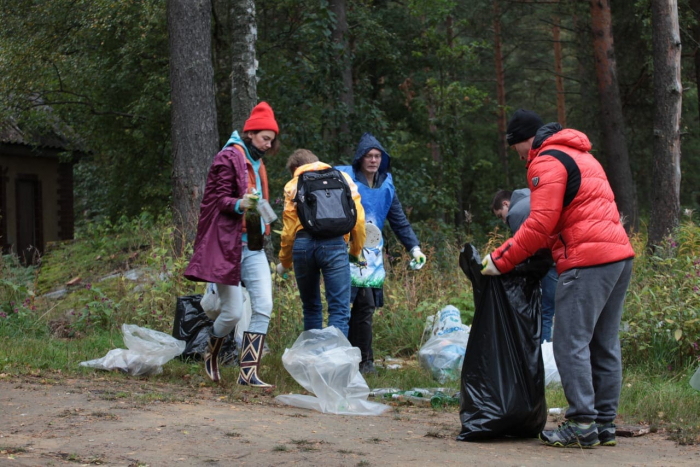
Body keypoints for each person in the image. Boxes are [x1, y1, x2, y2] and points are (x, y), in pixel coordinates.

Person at [481, 109, 635, 448]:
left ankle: (582, 422)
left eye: (515, 147)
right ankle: (603, 424)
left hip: (588, 261)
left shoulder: (545, 160)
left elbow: (539, 225)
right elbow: (574, 214)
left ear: (524, 141)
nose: (518, 155)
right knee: (604, 344)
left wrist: (500, 259)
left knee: (569, 342)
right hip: (619, 256)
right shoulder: (580, 154)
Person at [185, 101, 280, 388]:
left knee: (264, 305)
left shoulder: (257, 162)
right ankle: (210, 355)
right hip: (227, 246)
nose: (268, 145)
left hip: (252, 246)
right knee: (233, 313)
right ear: (250, 133)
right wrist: (240, 203)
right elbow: (215, 201)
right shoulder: (227, 158)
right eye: (265, 138)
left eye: (272, 140)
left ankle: (248, 373)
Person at [336, 133, 426, 374]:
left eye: (377, 156)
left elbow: (399, 221)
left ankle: (364, 362)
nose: (373, 160)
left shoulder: (386, 186)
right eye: (369, 155)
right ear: (360, 158)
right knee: (343, 308)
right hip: (345, 252)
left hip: (372, 258)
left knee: (365, 306)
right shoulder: (346, 181)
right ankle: (344, 361)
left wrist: (414, 248)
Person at [277, 149, 366, 337]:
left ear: (295, 167)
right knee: (339, 310)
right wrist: (355, 250)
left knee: (311, 307)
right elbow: (358, 221)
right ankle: (334, 363)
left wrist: (285, 262)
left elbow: (288, 233)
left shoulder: (293, 184)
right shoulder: (343, 179)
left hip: (302, 246)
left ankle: (312, 360)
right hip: (334, 245)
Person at [491, 188, 559, 343]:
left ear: (506, 204)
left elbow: (523, 248)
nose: (504, 221)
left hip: (550, 261)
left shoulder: (516, 213)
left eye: (501, 215)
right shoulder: (532, 197)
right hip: (564, 255)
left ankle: (542, 354)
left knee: (546, 311)